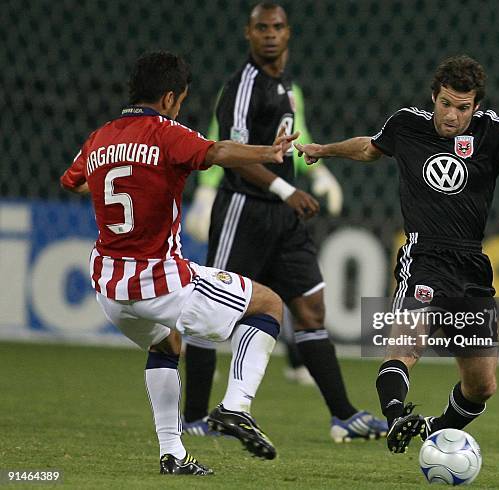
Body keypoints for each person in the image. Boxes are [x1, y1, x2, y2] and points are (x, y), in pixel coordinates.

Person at [296, 54, 499, 453]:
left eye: (462, 108)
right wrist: (324, 149)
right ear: (434, 97)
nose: (452, 116)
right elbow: (369, 149)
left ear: (475, 107)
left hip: (472, 265)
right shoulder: (406, 125)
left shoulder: (493, 132)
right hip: (424, 256)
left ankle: (432, 430)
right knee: (404, 346)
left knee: (482, 386)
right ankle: (394, 417)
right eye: (445, 103)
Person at [60, 51, 300, 475]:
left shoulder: (100, 138)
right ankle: (235, 407)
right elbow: (219, 151)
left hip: (109, 289)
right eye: (182, 99)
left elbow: (74, 182)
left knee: (166, 344)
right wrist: (270, 150)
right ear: (170, 97)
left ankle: (173, 454)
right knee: (268, 305)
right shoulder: (166, 133)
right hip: (159, 283)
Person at [180, 2, 387, 442]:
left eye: (277, 27)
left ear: (288, 33)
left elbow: (293, 141)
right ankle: (195, 418)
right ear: (248, 34)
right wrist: (285, 189)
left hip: (285, 220)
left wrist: (312, 170)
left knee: (311, 310)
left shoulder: (286, 84)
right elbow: (230, 153)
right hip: (245, 210)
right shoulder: (242, 86)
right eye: (261, 28)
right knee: (211, 314)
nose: (270, 34)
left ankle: (344, 416)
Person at [184, 78, 340, 390]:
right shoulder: (238, 90)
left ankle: (297, 361)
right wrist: (205, 191)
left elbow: (299, 135)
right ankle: (199, 355)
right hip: (243, 201)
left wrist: (317, 170)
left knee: (281, 291)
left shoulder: (294, 90)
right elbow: (221, 143)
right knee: (224, 289)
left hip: (278, 206)